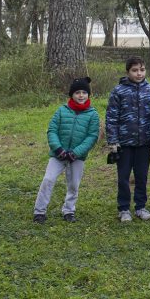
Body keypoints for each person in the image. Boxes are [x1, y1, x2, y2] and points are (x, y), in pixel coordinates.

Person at [33, 77, 100, 224]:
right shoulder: (61, 111)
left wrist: (76, 152)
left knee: (73, 185)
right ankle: (39, 211)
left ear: (88, 95)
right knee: (48, 179)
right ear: (71, 95)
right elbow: (52, 130)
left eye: (84, 92)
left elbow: (92, 136)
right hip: (58, 155)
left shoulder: (93, 115)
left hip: (77, 157)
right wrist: (58, 149)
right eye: (77, 93)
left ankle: (69, 210)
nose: (81, 95)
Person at [105, 57, 150, 222]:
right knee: (123, 177)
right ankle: (123, 208)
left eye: (142, 70)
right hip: (124, 144)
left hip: (144, 143)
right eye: (135, 70)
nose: (139, 73)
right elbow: (111, 117)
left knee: (141, 176)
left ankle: (140, 207)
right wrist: (113, 141)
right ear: (128, 71)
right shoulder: (118, 91)